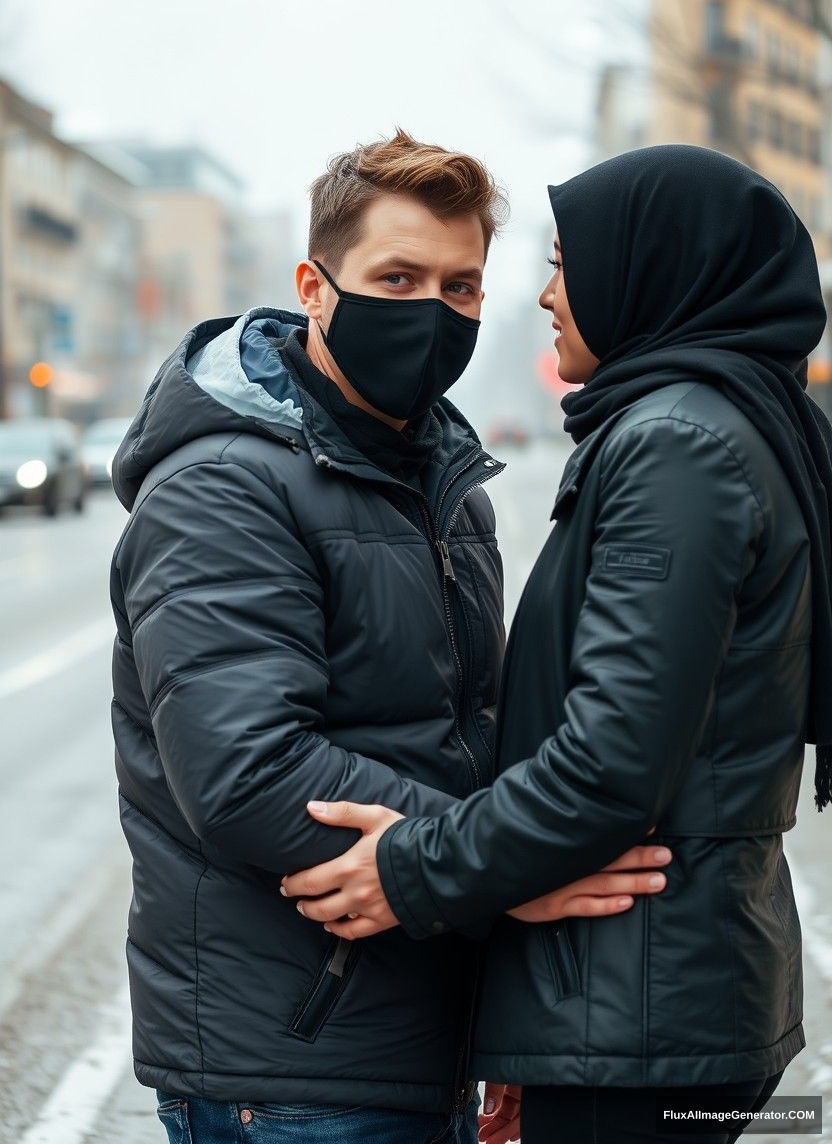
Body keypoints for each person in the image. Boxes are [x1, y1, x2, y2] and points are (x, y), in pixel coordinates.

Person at [108, 130, 672, 1144]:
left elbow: (459, 739)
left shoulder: (443, 486)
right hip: (290, 1066)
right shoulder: (221, 486)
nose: (430, 311)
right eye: (397, 276)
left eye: (460, 288)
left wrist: (503, 1029)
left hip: (414, 1039)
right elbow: (248, 772)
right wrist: (509, 866)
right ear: (313, 286)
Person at [282, 144, 832, 1144]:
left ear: (652, 268)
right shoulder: (719, 422)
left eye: (568, 263)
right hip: (646, 998)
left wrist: (410, 867)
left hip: (636, 1005)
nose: (542, 295)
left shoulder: (675, 444)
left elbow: (609, 763)